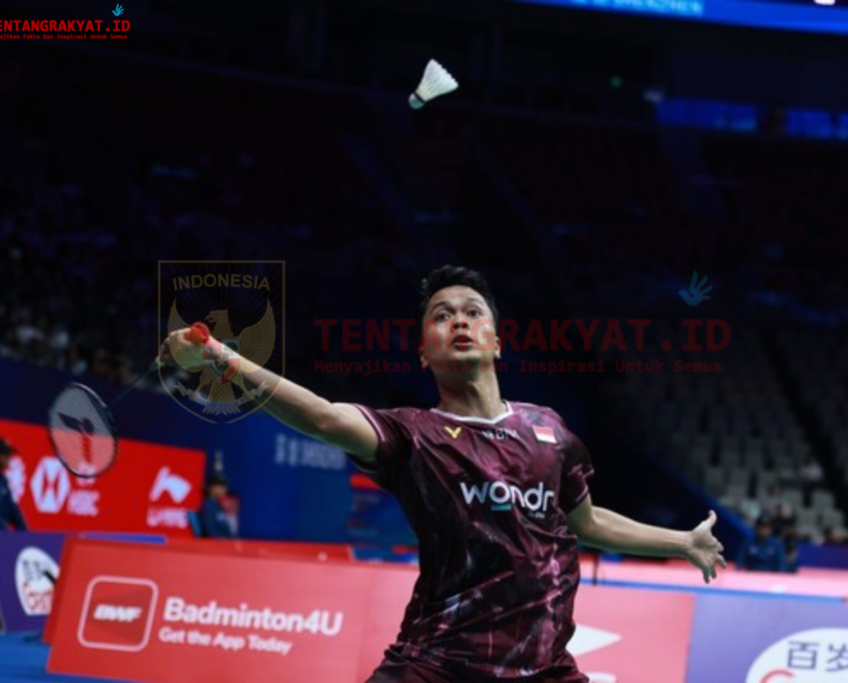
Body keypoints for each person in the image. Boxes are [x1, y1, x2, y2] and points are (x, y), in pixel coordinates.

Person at [162, 264, 726, 682]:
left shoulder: (550, 431)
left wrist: (681, 541)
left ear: (497, 343)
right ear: (423, 354)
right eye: (441, 315)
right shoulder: (413, 434)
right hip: (439, 664)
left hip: (544, 669)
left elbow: (587, 521)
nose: (458, 320)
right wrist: (218, 357)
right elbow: (324, 417)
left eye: (473, 312)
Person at [197, 473, 236, 539]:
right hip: (214, 543)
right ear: (210, 488)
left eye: (223, 487)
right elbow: (210, 531)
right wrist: (224, 542)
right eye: (219, 486)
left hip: (226, 542)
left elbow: (226, 530)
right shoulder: (208, 506)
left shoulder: (219, 505)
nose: (222, 489)